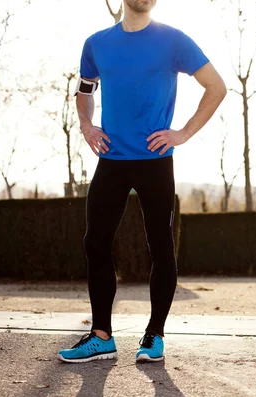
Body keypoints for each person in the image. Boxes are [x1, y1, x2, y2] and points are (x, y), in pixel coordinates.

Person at [57, 0, 226, 363]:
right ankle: (101, 335)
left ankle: (154, 336)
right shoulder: (97, 44)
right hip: (112, 160)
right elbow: (85, 92)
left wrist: (183, 133)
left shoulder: (174, 41)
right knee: (95, 242)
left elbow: (216, 87)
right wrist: (87, 126)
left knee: (160, 246)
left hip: (155, 161)